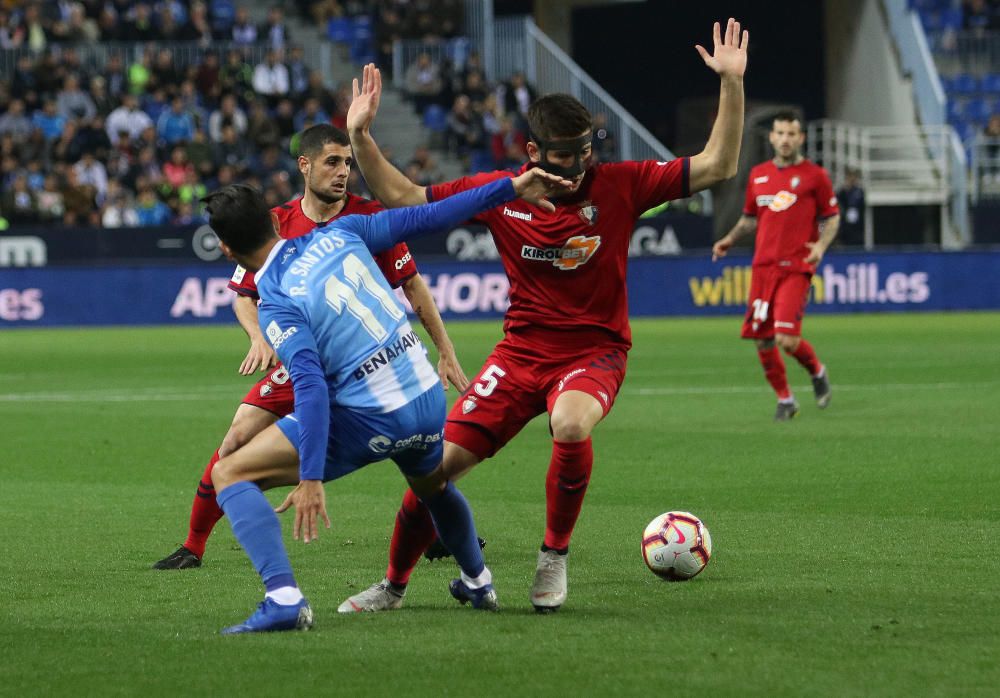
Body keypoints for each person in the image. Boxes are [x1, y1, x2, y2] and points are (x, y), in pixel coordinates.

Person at [340, 17, 747, 614]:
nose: (579, 166)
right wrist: (360, 138)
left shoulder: (621, 186)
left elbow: (717, 166)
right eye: (564, 156)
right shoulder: (499, 193)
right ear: (533, 152)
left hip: (594, 352)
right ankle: (394, 586)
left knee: (573, 425)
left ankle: (553, 557)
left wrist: (731, 84)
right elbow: (404, 198)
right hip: (519, 357)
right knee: (433, 470)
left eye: (586, 152)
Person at [200, 165, 569, 632]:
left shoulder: (273, 302)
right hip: (428, 398)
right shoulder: (345, 229)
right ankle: (478, 580)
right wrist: (511, 188)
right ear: (275, 222)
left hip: (375, 417)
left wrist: (311, 477)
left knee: (229, 472)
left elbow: (310, 387)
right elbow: (431, 216)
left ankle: (283, 598)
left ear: (227, 249)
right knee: (432, 485)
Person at [153, 124, 470, 570]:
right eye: (332, 162)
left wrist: (446, 349)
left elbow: (412, 284)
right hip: (304, 358)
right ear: (305, 165)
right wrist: (261, 337)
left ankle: (440, 532)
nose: (343, 172)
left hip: (365, 358)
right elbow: (245, 295)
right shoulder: (277, 223)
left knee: (413, 447)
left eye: (347, 162)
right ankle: (193, 546)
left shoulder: (364, 217)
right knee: (237, 437)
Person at [712, 110, 840, 421]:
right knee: (763, 339)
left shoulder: (815, 176)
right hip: (763, 268)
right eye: (780, 133)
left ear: (801, 138)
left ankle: (816, 370)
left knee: (786, 338)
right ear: (772, 137)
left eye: (791, 134)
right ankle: (785, 399)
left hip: (796, 267)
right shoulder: (758, 175)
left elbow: (832, 216)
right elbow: (749, 218)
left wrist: (820, 246)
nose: (785, 140)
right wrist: (728, 239)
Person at [836, 168, 864, 247]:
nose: (852, 179)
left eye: (853, 177)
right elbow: (838, 200)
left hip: (857, 224)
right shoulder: (843, 191)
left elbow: (861, 205)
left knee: (857, 239)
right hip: (846, 222)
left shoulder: (859, 191)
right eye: (849, 177)